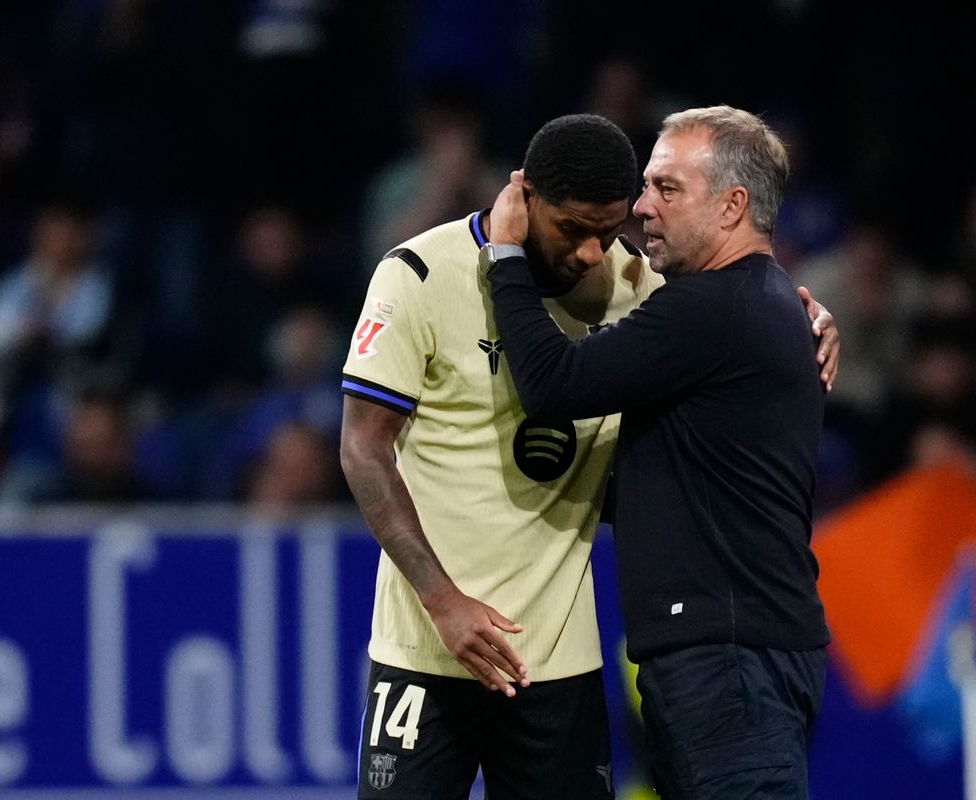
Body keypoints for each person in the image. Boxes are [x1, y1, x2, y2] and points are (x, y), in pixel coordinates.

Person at [340, 112, 839, 799]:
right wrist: (442, 600)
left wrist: (803, 315)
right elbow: (364, 451)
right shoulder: (419, 272)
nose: (589, 254)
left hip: (559, 665)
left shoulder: (637, 286)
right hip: (426, 648)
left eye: (607, 233)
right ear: (526, 195)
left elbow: (731, 307)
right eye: (572, 230)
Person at [484, 105, 832, 799]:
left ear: (733, 206)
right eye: (647, 185)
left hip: (729, 660)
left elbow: (553, 384)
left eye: (667, 188)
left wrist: (506, 257)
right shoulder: (757, 304)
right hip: (732, 653)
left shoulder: (712, 308)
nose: (641, 207)